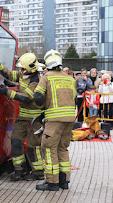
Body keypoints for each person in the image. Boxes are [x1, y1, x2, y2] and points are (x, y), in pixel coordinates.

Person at [0, 53, 43, 181]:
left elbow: (26, 97)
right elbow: (10, 74)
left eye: (23, 68)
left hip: (35, 119)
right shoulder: (24, 74)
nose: (21, 70)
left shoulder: (36, 80)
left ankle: (38, 172)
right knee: (15, 141)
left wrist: (7, 92)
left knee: (33, 146)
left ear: (31, 68)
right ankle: (19, 169)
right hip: (23, 117)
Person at [34, 49, 76, 191]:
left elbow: (38, 97)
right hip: (69, 119)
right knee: (63, 148)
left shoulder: (46, 77)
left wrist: (42, 109)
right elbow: (74, 98)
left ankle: (52, 183)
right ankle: (64, 181)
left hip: (54, 119)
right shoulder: (70, 79)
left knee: (49, 148)